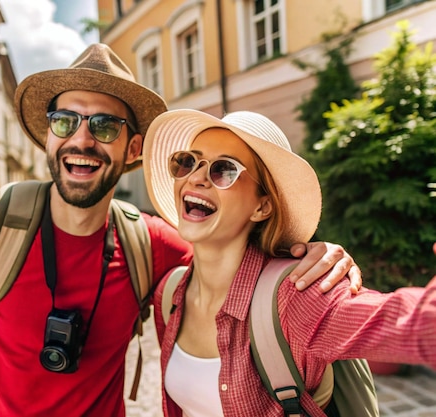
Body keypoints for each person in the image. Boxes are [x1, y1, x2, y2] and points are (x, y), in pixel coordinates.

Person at [0, 44, 359, 417]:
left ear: (133, 149)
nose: (82, 139)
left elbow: (244, 264)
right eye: (66, 121)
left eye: (104, 125)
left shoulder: (157, 246)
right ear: (48, 137)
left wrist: (316, 256)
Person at [142, 108, 436, 416]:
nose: (197, 177)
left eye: (224, 170)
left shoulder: (297, 295)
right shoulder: (169, 294)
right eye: (188, 161)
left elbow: (405, 324)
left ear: (262, 206)